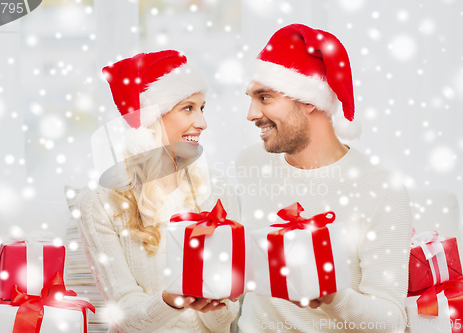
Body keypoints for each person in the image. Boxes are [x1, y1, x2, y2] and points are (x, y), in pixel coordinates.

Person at [236, 24, 412, 332]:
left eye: (264, 97)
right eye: (251, 98)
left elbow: (392, 321)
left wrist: (335, 297)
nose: (251, 113)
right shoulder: (250, 164)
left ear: (309, 101)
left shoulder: (381, 188)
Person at [76, 50, 240, 333]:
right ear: (150, 120)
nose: (202, 123)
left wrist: (217, 302)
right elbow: (124, 315)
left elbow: (228, 315)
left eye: (202, 108)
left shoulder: (218, 189)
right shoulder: (99, 203)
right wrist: (171, 301)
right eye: (188, 108)